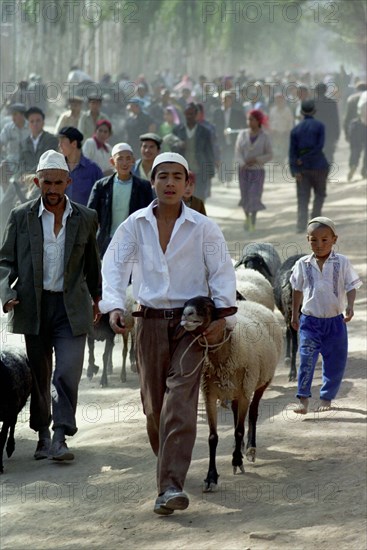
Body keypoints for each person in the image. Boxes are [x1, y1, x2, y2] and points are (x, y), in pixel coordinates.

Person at [99, 152, 237, 515]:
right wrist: (114, 306)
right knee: (154, 407)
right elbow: (113, 268)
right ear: (153, 180)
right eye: (163, 176)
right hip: (148, 322)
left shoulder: (203, 227)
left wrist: (222, 315)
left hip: (192, 325)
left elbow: (222, 270)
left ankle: (170, 485)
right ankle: (170, 462)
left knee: (180, 399)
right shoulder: (134, 225)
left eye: (178, 176)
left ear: (188, 183)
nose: (170, 183)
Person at [0, 150, 101, 461]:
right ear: (36, 182)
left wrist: (98, 299)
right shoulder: (20, 216)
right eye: (47, 183)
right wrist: (6, 294)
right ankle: (43, 434)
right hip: (34, 307)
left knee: (67, 372)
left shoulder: (86, 217)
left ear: (68, 182)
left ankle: (60, 436)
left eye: (59, 183)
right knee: (40, 374)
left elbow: (92, 265)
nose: (53, 189)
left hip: (71, 308)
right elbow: (5, 263)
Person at [290, 217, 362, 414]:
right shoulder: (302, 264)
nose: (319, 245)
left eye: (324, 240)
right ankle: (303, 399)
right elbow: (297, 289)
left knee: (335, 361)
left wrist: (350, 306)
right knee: (306, 359)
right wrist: (294, 315)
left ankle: (326, 398)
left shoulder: (342, 262)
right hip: (309, 322)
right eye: (314, 240)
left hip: (335, 323)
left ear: (334, 239)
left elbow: (351, 286)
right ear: (308, 240)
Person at [87, 142, 154, 256]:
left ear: (133, 161)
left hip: (134, 241)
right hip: (107, 242)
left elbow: (149, 217)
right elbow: (90, 216)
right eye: (120, 159)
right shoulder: (101, 186)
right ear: (112, 162)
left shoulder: (144, 187)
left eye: (128, 159)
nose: (125, 163)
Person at [289, 100, 330, 233]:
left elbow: (292, 153)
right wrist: (305, 158)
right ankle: (316, 222)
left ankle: (301, 225)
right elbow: (320, 147)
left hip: (302, 170)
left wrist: (295, 169)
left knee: (302, 197)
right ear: (314, 111)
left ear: (301, 112)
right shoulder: (320, 126)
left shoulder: (295, 130)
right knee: (319, 194)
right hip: (319, 167)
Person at [234, 109, 272, 232]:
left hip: (257, 171)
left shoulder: (264, 136)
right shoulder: (242, 134)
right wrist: (243, 163)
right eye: (248, 119)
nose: (249, 122)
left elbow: (269, 154)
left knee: (254, 195)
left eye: (252, 119)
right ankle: (247, 218)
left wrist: (256, 159)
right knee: (244, 195)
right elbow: (238, 152)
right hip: (243, 170)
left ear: (258, 121)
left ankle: (253, 222)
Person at [172, 102, 215, 201]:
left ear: (196, 115)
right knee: (181, 197)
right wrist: (178, 145)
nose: (189, 116)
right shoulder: (177, 130)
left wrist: (210, 171)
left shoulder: (205, 131)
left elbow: (209, 151)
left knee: (199, 196)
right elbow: (172, 150)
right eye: (187, 114)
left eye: (191, 114)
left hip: (199, 169)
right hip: (183, 170)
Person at [58, 126, 103, 205]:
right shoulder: (57, 168)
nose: (59, 145)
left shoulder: (93, 170)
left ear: (74, 144)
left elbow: (101, 198)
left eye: (62, 142)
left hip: (85, 216)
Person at [19, 107, 59, 175]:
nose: (35, 124)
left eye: (38, 121)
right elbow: (21, 164)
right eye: (32, 121)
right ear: (28, 124)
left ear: (43, 123)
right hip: (27, 181)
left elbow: (47, 162)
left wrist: (31, 175)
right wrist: (23, 175)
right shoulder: (23, 143)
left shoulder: (51, 140)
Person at [313, 82, 340, 165]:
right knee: (329, 153)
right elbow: (335, 119)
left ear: (316, 91)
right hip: (329, 132)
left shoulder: (311, 103)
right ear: (325, 90)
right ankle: (326, 172)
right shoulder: (332, 103)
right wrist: (337, 134)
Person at [0, 103, 29, 178]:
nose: (13, 117)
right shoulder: (8, 128)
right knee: (2, 169)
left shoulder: (31, 128)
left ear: (23, 116)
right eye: (12, 114)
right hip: (11, 163)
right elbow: (1, 142)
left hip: (27, 163)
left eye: (15, 114)